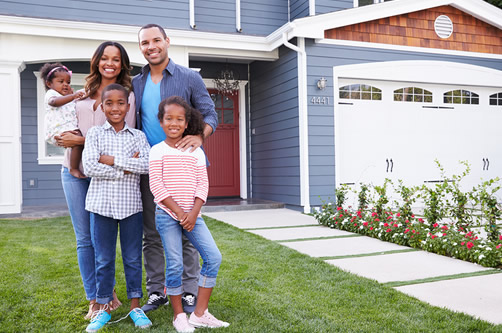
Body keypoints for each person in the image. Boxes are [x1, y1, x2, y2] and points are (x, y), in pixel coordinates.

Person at [132, 23, 218, 313]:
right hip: (153, 167)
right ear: (141, 48)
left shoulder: (189, 77)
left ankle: (190, 291)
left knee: (188, 231)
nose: (151, 46)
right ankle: (157, 291)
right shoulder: (136, 82)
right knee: (152, 233)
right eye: (145, 42)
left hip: (186, 167)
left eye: (156, 40)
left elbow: (210, 114)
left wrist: (199, 135)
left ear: (167, 41)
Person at [55, 41, 136, 319]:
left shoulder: (128, 97)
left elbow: (124, 140)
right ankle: (96, 298)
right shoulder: (81, 93)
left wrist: (80, 139)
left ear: (122, 64)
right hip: (74, 172)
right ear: (97, 61)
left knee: (104, 239)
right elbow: (65, 127)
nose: (109, 63)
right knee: (84, 239)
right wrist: (65, 137)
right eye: (104, 58)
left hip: (106, 177)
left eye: (116, 59)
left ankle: (107, 291)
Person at [150, 96, 229, 332]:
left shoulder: (196, 151)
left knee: (213, 258)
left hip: (194, 215)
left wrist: (193, 213)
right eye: (168, 118)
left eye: (179, 119)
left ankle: (199, 314)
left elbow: (202, 185)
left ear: (186, 123)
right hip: (167, 215)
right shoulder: (157, 151)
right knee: (175, 264)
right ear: (161, 121)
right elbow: (157, 187)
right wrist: (180, 213)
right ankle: (178, 316)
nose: (174, 123)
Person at [83, 84, 152, 332]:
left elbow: (146, 165)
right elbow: (90, 167)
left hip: (131, 206)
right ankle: (102, 307)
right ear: (102, 107)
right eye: (109, 103)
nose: (115, 108)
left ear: (128, 106)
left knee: (133, 258)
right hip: (101, 207)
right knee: (103, 259)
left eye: (120, 103)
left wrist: (111, 161)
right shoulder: (94, 134)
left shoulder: (138, 137)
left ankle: (135, 306)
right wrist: (126, 167)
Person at [40, 62, 85, 179]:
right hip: (57, 129)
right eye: (61, 82)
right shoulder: (51, 94)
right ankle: (73, 168)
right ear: (49, 83)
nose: (65, 85)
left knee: (78, 141)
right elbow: (54, 102)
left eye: (68, 82)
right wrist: (72, 96)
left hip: (67, 128)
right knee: (77, 140)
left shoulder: (67, 97)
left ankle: (74, 166)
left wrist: (72, 97)